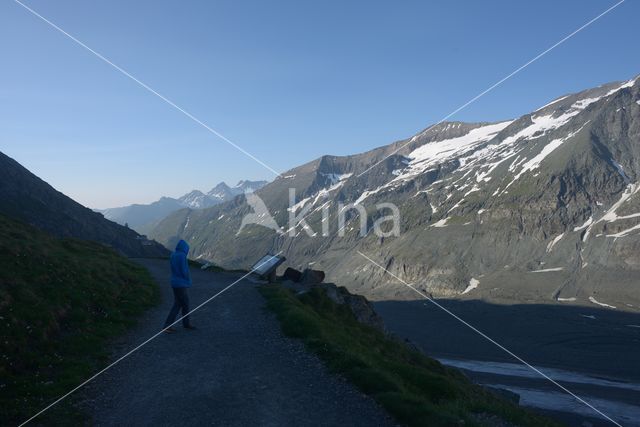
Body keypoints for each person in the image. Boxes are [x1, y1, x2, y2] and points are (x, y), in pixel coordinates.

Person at [163, 239, 196, 332]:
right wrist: (188, 280)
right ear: (185, 248)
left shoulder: (173, 254)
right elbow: (184, 270)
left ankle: (178, 324)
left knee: (178, 303)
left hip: (174, 282)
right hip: (181, 284)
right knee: (184, 304)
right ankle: (172, 325)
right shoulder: (182, 256)